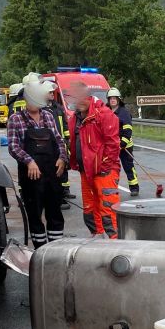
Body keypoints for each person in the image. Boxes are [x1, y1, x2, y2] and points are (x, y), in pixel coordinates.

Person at [7, 81, 68, 248]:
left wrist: (62, 158)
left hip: (52, 175)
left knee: (55, 214)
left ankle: (55, 251)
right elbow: (13, 147)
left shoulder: (48, 116)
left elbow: (59, 140)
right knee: (34, 215)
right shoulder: (16, 119)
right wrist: (29, 161)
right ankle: (40, 251)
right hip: (31, 178)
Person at [65, 82, 121, 238]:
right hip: (86, 170)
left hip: (104, 171)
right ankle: (96, 238)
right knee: (89, 209)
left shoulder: (104, 114)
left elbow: (113, 144)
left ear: (88, 97)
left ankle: (115, 242)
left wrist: (104, 167)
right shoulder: (74, 119)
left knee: (108, 209)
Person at [42, 80, 73, 208]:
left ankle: (62, 194)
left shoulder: (58, 108)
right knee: (51, 170)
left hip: (60, 143)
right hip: (49, 145)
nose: (52, 94)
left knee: (62, 168)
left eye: (52, 92)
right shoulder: (41, 109)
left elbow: (64, 125)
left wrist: (67, 139)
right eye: (49, 92)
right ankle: (54, 199)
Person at [107, 87, 139, 197]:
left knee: (128, 167)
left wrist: (122, 144)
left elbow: (128, 130)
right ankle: (111, 187)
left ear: (118, 99)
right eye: (110, 98)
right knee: (111, 168)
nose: (112, 100)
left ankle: (134, 187)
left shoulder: (124, 113)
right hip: (112, 146)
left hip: (125, 145)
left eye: (114, 98)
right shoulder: (106, 112)